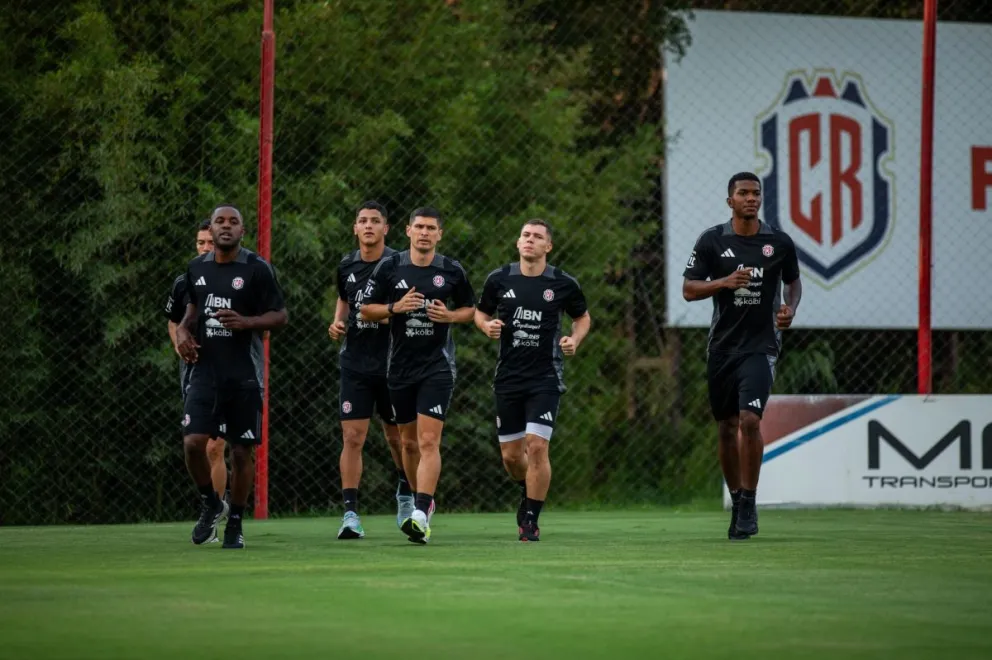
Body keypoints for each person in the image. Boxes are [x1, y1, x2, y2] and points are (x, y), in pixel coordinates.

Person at [682, 172, 801, 540]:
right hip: (722, 349)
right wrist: (724, 282)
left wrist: (789, 308)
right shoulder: (712, 241)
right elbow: (688, 290)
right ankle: (736, 499)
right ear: (729, 200)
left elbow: (792, 282)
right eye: (743, 193)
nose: (751, 198)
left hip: (760, 346)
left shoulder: (778, 242)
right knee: (726, 426)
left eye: (755, 193)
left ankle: (748, 502)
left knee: (750, 420)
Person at [360, 207, 475, 544]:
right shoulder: (390, 268)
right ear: (408, 232)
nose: (424, 233)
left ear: (439, 234)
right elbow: (366, 310)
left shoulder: (451, 270)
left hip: (437, 367)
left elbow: (472, 310)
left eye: (431, 228)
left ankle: (421, 513)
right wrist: (396, 307)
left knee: (428, 441)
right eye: (419, 227)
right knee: (408, 444)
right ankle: (421, 503)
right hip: (399, 369)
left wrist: (450, 315)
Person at [175, 205, 288, 549]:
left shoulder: (256, 269)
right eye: (219, 221)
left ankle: (235, 521)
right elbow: (191, 311)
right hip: (205, 371)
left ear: (243, 230)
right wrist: (182, 331)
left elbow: (280, 316)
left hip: (244, 375)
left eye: (233, 222)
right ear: (210, 228)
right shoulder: (196, 268)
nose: (225, 227)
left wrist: (247, 322)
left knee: (241, 453)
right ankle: (211, 502)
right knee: (193, 443)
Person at [475, 220, 590, 542]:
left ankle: (531, 519)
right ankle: (527, 491)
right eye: (525, 235)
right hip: (508, 378)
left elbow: (582, 317)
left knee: (537, 446)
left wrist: (574, 340)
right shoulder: (499, 279)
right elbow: (479, 313)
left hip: (545, 378)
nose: (530, 240)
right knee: (512, 458)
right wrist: (486, 327)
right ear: (518, 242)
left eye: (537, 237)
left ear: (547, 247)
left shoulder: (562, 282)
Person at [327, 201, 413, 539]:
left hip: (393, 364)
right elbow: (345, 301)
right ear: (354, 228)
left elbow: (401, 308)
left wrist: (383, 312)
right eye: (362, 221)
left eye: (375, 221)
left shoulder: (397, 264)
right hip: (356, 364)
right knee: (352, 437)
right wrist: (337, 322)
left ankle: (406, 494)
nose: (368, 226)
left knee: (397, 438)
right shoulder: (347, 264)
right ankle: (350, 514)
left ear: (386, 228)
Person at [165, 219, 227, 504]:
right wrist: (180, 343)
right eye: (200, 242)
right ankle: (210, 510)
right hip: (194, 369)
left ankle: (222, 515)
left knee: (217, 447)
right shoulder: (184, 281)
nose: (205, 247)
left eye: (210, 243)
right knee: (198, 444)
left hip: (228, 369)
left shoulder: (237, 278)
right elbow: (173, 321)